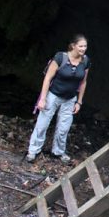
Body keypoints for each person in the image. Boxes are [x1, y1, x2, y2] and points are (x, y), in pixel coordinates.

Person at [26, 34, 91, 163]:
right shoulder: (60, 57)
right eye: (81, 46)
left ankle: (58, 152)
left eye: (85, 46)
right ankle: (33, 151)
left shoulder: (85, 61)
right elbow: (48, 78)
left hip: (70, 99)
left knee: (64, 128)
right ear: (73, 46)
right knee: (42, 124)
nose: (83, 49)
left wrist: (79, 101)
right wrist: (43, 99)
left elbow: (83, 82)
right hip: (53, 95)